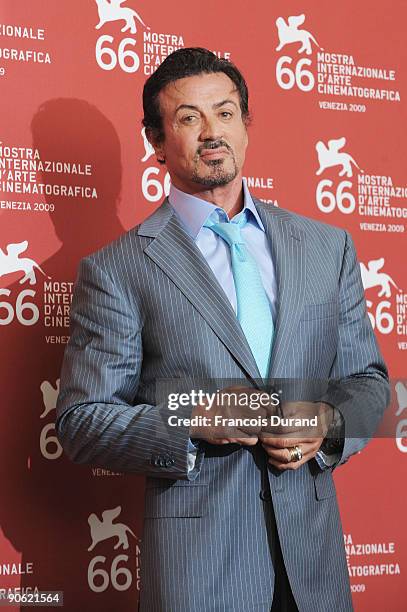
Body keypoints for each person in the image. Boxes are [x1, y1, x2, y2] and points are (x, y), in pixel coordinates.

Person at [56, 48, 390, 612]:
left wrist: (328, 422)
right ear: (157, 143)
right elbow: (80, 422)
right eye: (189, 118)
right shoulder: (116, 270)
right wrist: (191, 420)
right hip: (200, 578)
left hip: (315, 571)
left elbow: (371, 381)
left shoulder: (324, 246)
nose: (212, 133)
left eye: (226, 112)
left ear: (246, 124)